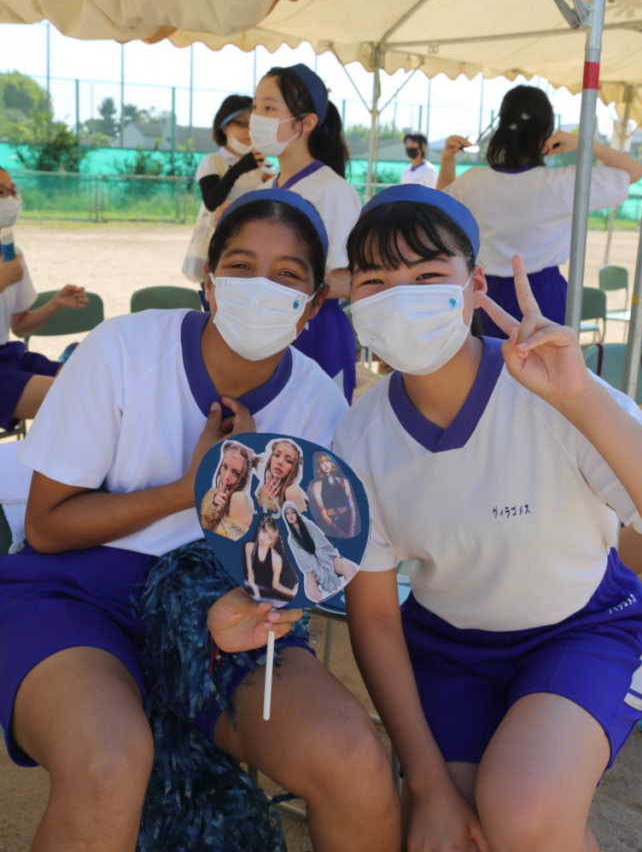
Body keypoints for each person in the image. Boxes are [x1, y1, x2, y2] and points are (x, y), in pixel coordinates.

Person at [0, 188, 399, 852]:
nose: (260, 287)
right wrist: (193, 490)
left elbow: (299, 563)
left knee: (351, 757)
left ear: (312, 306)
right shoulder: (122, 350)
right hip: (75, 594)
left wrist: (262, 593)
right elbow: (47, 527)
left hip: (222, 607)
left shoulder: (318, 404)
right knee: (110, 759)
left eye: (288, 275)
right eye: (240, 266)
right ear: (209, 283)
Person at [334, 183, 642, 852]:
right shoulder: (359, 436)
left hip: (582, 631)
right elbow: (374, 615)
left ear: (475, 286)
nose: (401, 297)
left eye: (427, 275)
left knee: (521, 813)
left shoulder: (552, 388)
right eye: (375, 280)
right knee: (458, 832)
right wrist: (427, 786)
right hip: (449, 649)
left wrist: (581, 400)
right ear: (352, 298)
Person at [435, 85, 642, 336]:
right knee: (546, 360)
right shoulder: (564, 183)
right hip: (544, 293)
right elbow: (634, 172)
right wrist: (582, 143)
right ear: (546, 132)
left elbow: (441, 205)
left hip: (485, 294)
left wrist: (448, 159)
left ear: (501, 127)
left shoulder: (473, 181)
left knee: (488, 360)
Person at [251, 62, 362, 402]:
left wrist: (279, 280)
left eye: (270, 108)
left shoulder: (332, 191)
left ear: (307, 122)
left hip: (314, 332)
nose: (257, 118)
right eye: (255, 107)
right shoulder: (266, 189)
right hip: (266, 327)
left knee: (314, 427)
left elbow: (349, 280)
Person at [0, 166, 87, 431]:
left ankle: (68, 361)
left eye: (12, 191)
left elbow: (19, 326)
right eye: (1, 192)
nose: (10, 200)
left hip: (7, 355)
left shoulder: (11, 254)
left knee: (96, 380)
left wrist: (56, 303)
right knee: (78, 397)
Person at [181, 94, 275, 288]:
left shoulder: (264, 163)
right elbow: (212, 202)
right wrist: (238, 169)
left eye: (252, 124)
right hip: (219, 249)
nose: (247, 130)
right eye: (240, 123)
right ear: (224, 127)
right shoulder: (213, 161)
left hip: (255, 247)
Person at [283, 501, 358, 602]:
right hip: (311, 565)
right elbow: (302, 557)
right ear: (285, 517)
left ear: (297, 513)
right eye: (287, 514)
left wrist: (325, 559)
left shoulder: (308, 524)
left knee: (351, 569)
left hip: (326, 556)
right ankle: (330, 596)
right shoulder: (291, 539)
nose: (290, 515)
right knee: (311, 593)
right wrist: (315, 568)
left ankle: (350, 594)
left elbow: (321, 542)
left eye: (293, 512)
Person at [200, 438, 259, 539]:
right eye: (225, 467)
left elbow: (226, 541)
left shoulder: (240, 498)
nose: (226, 476)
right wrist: (214, 504)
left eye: (236, 473)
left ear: (244, 478)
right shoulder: (212, 494)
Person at [243, 513, 299, 604]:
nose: (264, 538)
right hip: (254, 592)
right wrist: (256, 595)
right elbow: (250, 575)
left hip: (270, 596)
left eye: (269, 537)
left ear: (273, 542)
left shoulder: (276, 559)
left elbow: (275, 585)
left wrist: (292, 593)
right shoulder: (249, 547)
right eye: (264, 531)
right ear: (259, 530)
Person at [308, 450, 359, 538]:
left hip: (348, 523)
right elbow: (322, 511)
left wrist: (352, 531)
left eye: (327, 461)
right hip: (330, 526)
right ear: (318, 466)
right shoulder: (316, 486)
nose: (325, 464)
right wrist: (339, 532)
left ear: (331, 463)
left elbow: (352, 508)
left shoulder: (343, 482)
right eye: (321, 463)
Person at [254, 436, 306, 517]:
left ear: (294, 469)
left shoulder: (292, 491)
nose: (280, 462)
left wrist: (270, 503)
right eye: (277, 455)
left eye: (288, 461)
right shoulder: (262, 488)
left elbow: (300, 522)